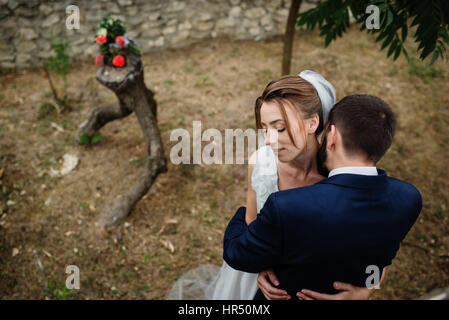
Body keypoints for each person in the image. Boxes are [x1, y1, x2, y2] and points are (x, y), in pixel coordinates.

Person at [168, 71, 378, 300]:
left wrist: (366, 289)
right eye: (264, 129)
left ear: (312, 123)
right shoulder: (261, 163)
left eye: (279, 128)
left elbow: (378, 239)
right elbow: (251, 220)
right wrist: (260, 264)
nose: (268, 140)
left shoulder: (340, 174)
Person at [223, 94, 422, 300]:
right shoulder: (409, 199)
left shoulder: (288, 206)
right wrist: (369, 289)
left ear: (332, 135)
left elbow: (238, 254)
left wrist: (241, 213)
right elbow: (381, 256)